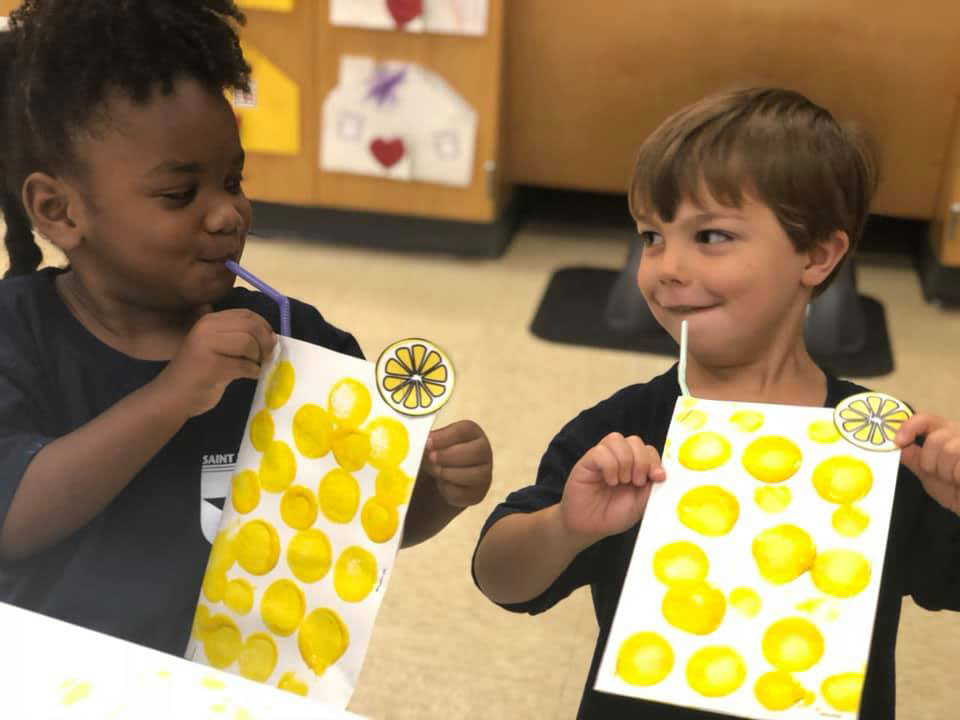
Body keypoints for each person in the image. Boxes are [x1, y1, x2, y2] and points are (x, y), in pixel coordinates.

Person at [0, 0, 492, 658]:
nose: (229, 213)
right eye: (180, 194)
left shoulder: (296, 340)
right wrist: (172, 396)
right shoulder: (16, 333)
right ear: (58, 211)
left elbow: (359, 527)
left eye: (233, 180)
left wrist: (435, 490)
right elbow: (15, 522)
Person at [473, 87, 960, 719]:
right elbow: (500, 579)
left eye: (711, 235)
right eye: (651, 235)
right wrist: (565, 527)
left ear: (817, 254)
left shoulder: (881, 447)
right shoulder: (626, 431)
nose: (666, 265)